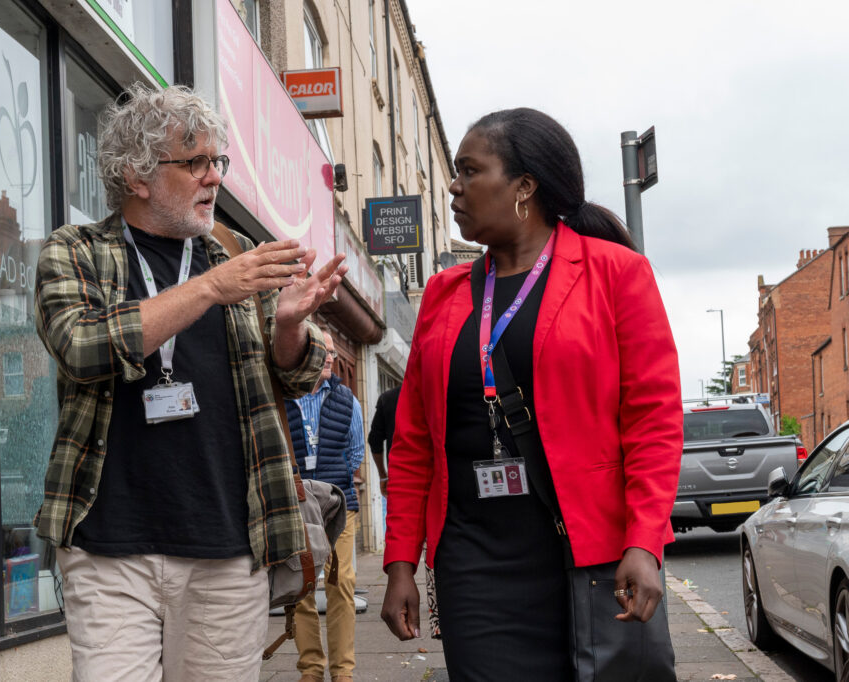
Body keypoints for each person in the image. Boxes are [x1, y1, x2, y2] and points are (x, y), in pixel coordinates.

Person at [33, 83, 347, 681]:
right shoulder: (75, 251)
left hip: (229, 547)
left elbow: (299, 376)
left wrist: (288, 326)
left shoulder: (234, 253)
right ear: (138, 175)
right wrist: (211, 288)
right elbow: (81, 346)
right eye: (194, 162)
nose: (213, 178)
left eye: (217, 162)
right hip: (108, 550)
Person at [380, 108, 682, 680]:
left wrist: (645, 542)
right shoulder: (443, 296)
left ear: (523, 187)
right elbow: (414, 440)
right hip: (474, 563)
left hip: (591, 557)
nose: (454, 185)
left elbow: (653, 420)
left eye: (470, 171)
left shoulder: (615, 274)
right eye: (455, 172)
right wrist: (401, 561)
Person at [284, 331, 365, 682]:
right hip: (296, 504)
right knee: (300, 588)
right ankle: (311, 670)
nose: (331, 358)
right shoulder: (283, 397)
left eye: (333, 352)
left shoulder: (348, 399)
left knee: (342, 583)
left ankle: (343, 672)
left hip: (338, 501)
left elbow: (357, 451)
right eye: (324, 351)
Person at [367, 382, 401, 496]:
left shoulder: (388, 398)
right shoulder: (442, 396)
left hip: (399, 481)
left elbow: (374, 440)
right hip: (437, 479)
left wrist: (383, 476)